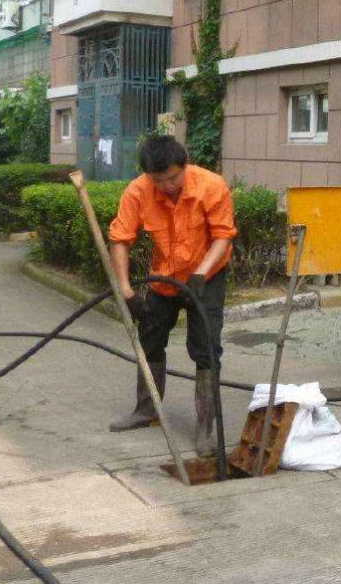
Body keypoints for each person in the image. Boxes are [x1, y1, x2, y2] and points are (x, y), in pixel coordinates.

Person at [107, 135, 237, 457]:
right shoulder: (138, 191)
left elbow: (223, 237)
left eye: (173, 177)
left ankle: (205, 428)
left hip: (206, 275)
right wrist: (126, 291)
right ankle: (146, 409)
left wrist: (200, 274)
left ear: (185, 165)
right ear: (148, 175)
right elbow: (120, 239)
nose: (167, 186)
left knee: (205, 346)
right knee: (149, 338)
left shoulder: (212, 186)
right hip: (163, 279)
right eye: (159, 180)